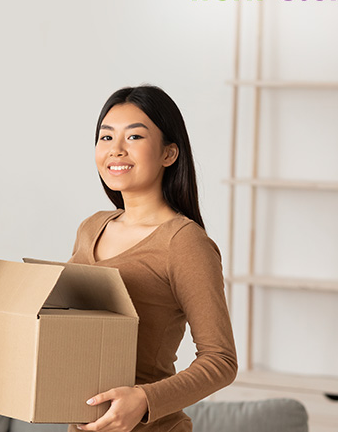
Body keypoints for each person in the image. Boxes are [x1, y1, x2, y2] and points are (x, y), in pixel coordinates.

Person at [68, 85, 238, 432]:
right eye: (105, 137)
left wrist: (145, 400)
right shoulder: (91, 228)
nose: (115, 150)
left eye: (134, 137)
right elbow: (60, 328)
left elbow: (221, 361)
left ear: (169, 154)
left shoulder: (184, 242)